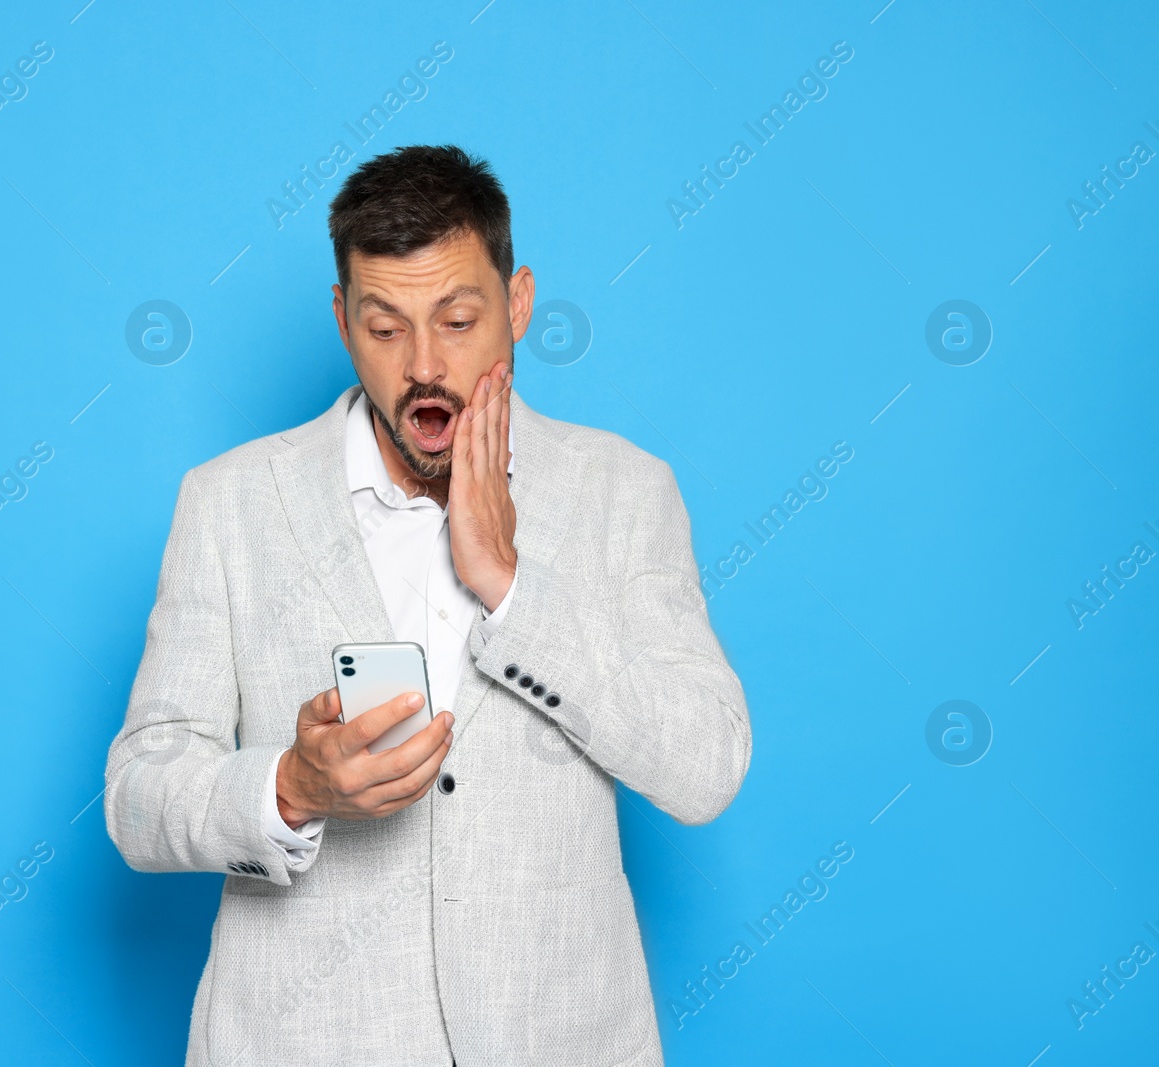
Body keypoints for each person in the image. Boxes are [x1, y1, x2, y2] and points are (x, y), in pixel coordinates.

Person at [104, 144, 752, 1067]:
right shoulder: (229, 503)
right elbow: (137, 796)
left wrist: (512, 586)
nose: (424, 367)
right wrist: (291, 787)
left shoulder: (625, 494)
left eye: (456, 319)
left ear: (519, 303)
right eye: (385, 327)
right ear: (340, 320)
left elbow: (707, 766)